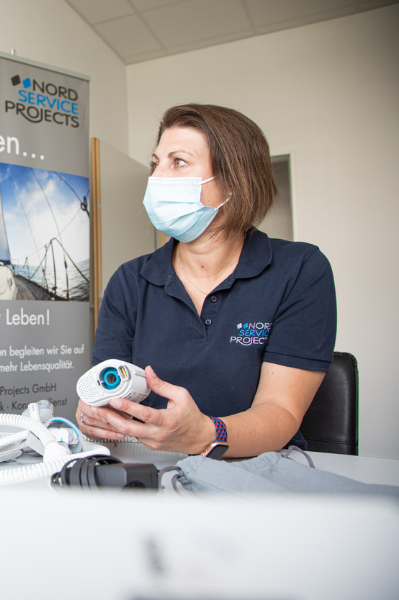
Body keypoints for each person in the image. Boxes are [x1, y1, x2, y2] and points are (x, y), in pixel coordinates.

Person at [78, 104, 336, 458]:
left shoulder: (300, 269)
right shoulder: (130, 280)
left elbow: (281, 412)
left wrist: (206, 434)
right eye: (156, 164)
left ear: (234, 179)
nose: (157, 177)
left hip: (261, 471)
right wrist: (95, 415)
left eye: (178, 162)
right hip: (151, 467)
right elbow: (107, 393)